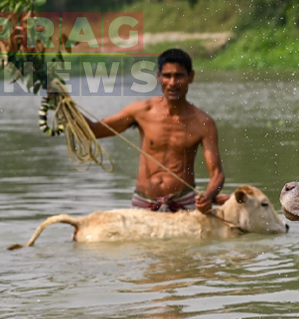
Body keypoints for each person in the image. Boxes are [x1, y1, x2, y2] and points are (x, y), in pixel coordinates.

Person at [87, 48, 225, 214]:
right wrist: (65, 105)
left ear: (191, 77)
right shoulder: (142, 111)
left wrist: (208, 197)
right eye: (167, 76)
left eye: (179, 76)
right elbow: (95, 131)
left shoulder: (203, 123)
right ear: (159, 77)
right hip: (144, 203)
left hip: (183, 203)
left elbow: (217, 174)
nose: (172, 82)